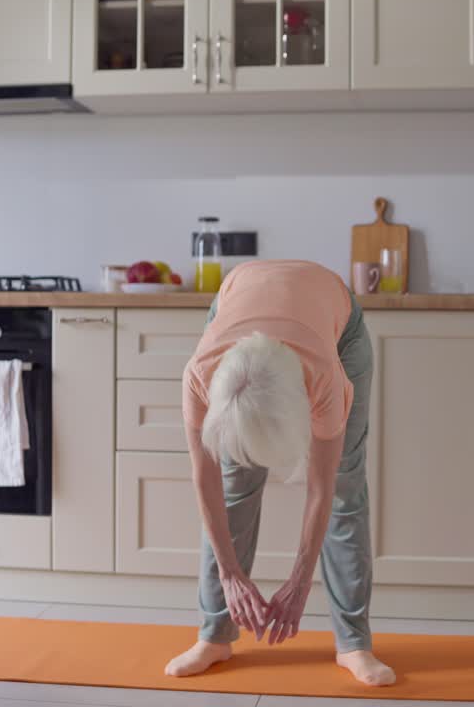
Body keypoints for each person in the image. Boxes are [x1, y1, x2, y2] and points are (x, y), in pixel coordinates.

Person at [164, 259, 395, 687]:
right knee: (234, 481)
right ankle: (214, 635)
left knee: (345, 484)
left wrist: (299, 581)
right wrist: (230, 573)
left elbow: (322, 488)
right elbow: (206, 479)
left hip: (335, 326)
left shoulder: (325, 376)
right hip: (235, 301)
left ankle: (354, 643)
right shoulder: (201, 374)